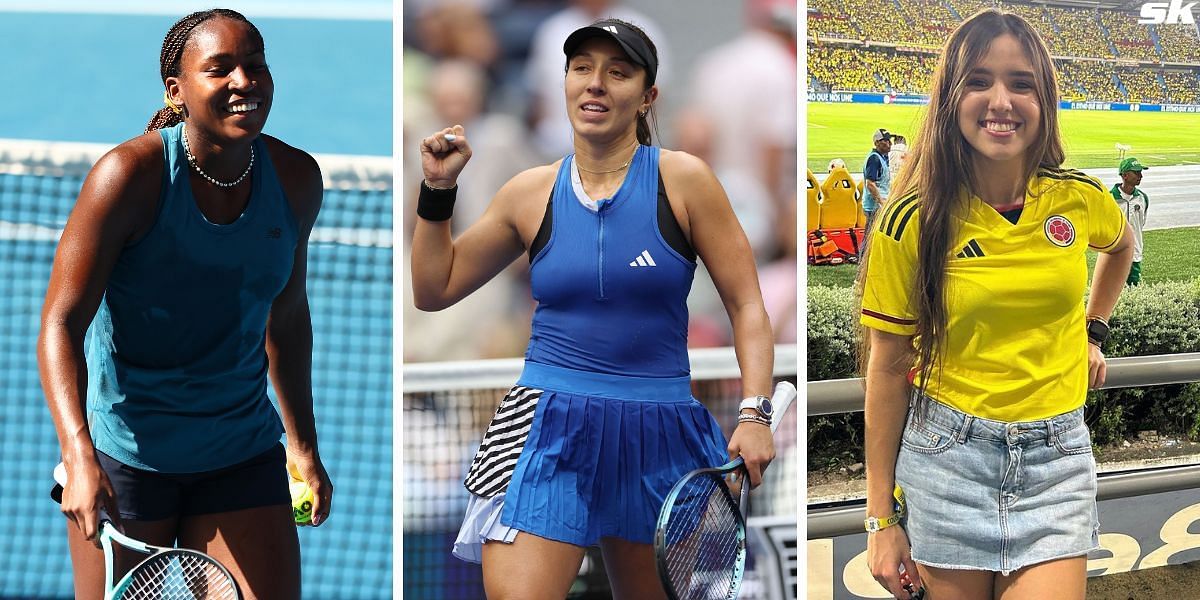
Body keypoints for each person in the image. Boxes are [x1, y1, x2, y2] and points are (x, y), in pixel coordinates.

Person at [412, 19, 776, 599]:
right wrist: (436, 191)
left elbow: (747, 304)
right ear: (563, 83)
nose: (595, 84)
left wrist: (755, 412)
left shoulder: (685, 180)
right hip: (546, 428)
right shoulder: (528, 192)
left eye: (618, 72)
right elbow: (434, 288)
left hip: (658, 431)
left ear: (648, 95)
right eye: (581, 68)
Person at [38, 9, 333, 599]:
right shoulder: (128, 176)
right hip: (128, 461)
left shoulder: (296, 178)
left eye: (255, 65)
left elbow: (287, 316)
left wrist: (302, 444)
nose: (244, 82)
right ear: (177, 91)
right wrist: (80, 455)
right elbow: (61, 322)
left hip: (241, 452)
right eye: (219, 69)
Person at [859, 9, 1133, 600]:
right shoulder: (913, 219)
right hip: (949, 462)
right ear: (951, 99)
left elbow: (1121, 247)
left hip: (1056, 462)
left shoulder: (1078, 198)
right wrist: (879, 520)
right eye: (979, 81)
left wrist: (1094, 331)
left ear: (1045, 100)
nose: (1001, 100)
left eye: (1021, 83)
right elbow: (885, 367)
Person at [1111, 157, 1149, 285]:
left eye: (1141, 172)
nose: (1141, 176)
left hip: (1135, 255)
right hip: (1115, 255)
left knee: (1133, 293)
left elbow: (1141, 223)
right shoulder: (1110, 199)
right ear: (1125, 175)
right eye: (1137, 173)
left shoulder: (1142, 198)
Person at [862, 128, 893, 232]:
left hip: (878, 205)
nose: (889, 143)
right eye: (886, 141)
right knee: (870, 238)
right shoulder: (874, 159)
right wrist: (881, 202)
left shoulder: (882, 157)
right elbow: (870, 184)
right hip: (875, 207)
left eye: (889, 140)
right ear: (877, 143)